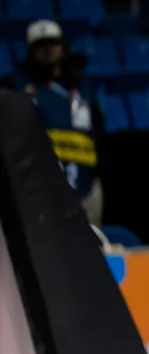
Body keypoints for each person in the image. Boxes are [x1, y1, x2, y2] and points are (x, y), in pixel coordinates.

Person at [2, 20, 102, 224]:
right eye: (40, 46)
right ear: (30, 51)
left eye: (52, 44)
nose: (47, 50)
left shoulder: (80, 86)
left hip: (84, 185)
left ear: (62, 47)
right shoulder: (14, 86)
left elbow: (98, 129)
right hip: (38, 191)